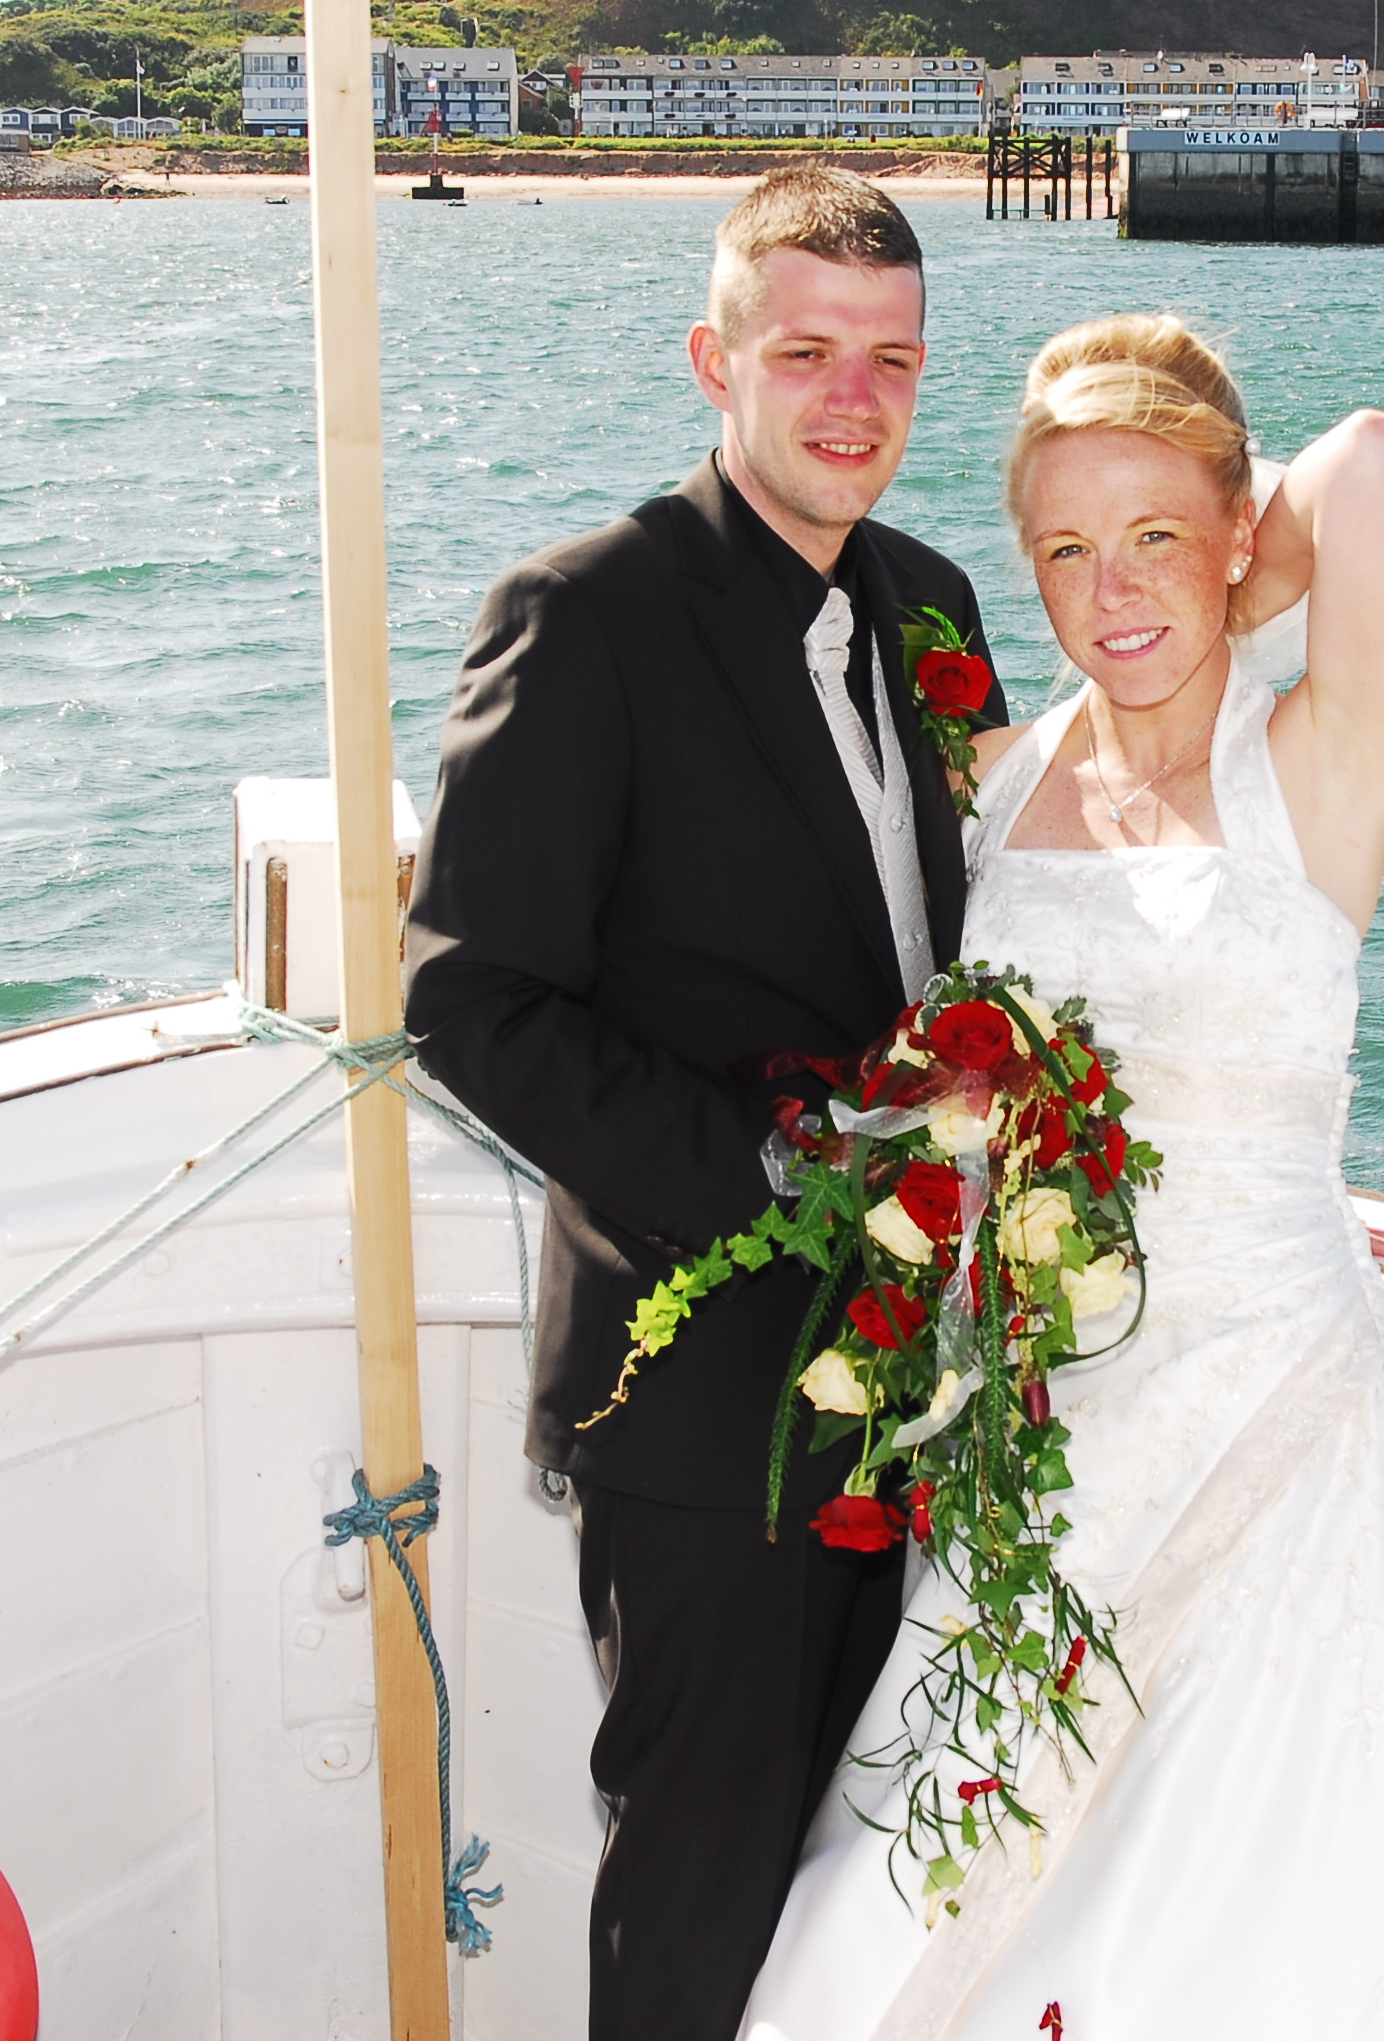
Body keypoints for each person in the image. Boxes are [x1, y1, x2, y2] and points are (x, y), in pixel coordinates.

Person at [742, 317, 1384, 2040]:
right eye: (1063, 550)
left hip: (1279, 1417)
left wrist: (1218, 584)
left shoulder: (1320, 765)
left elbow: (1381, 463)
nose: (1106, 589)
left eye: (1153, 537)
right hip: (1041, 1440)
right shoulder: (1005, 779)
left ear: (1235, 532)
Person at [405, 166, 1009, 2041]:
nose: (855, 399)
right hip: (703, 1404)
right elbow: (469, 999)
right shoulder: (586, 613)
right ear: (713, 361)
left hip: (927, 1377)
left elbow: (969, 942)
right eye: (808, 352)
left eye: (893, 362)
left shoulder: (936, 602)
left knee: (869, 1869)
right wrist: (770, 1177)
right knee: (701, 1869)